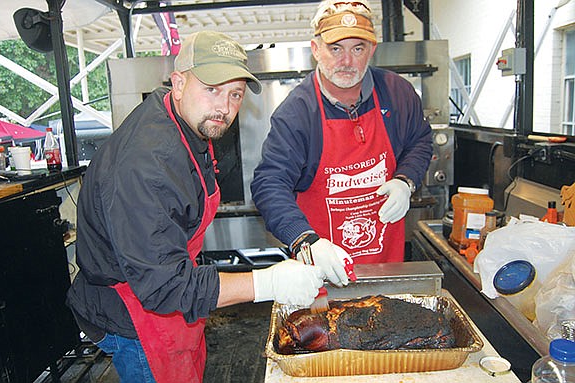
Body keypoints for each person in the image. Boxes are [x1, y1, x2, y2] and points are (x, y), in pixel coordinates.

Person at [66, 31, 326, 383]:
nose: (224, 106)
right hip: (137, 314)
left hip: (167, 293)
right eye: (212, 89)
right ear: (178, 82)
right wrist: (268, 282)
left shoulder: (183, 119)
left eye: (235, 94)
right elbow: (162, 286)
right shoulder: (148, 164)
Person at [251, 0, 433, 273]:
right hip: (321, 266)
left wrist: (405, 180)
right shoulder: (297, 113)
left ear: (371, 50)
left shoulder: (398, 94)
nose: (346, 61)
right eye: (335, 48)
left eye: (357, 48)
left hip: (385, 265)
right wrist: (304, 240)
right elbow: (269, 183)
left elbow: (420, 141)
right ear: (316, 49)